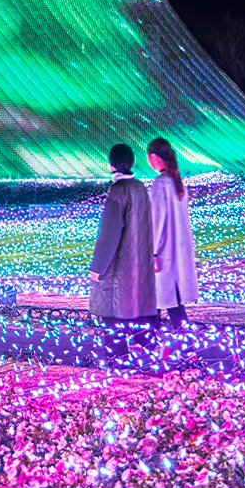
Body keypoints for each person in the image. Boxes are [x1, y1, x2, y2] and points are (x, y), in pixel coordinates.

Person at [88, 143, 155, 359]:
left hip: (119, 263)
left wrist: (98, 266)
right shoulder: (139, 187)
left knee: (110, 310)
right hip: (139, 261)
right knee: (133, 308)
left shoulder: (117, 190)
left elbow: (110, 231)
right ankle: (149, 346)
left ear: (112, 164)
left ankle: (118, 355)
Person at [145, 137, 198, 331]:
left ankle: (148, 338)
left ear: (154, 157)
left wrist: (152, 253)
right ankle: (180, 338)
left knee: (159, 297)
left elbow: (156, 221)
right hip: (178, 251)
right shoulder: (177, 183)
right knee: (169, 300)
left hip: (163, 252)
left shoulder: (161, 183)